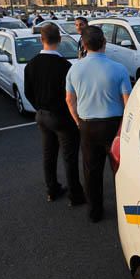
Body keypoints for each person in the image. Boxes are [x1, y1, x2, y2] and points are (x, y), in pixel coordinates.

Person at [66, 26, 131, 222]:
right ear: (104, 42)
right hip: (113, 125)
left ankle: (95, 212)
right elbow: (128, 102)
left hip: (87, 125)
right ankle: (125, 210)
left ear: (84, 45)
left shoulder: (74, 68)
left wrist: (78, 121)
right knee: (119, 169)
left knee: (91, 170)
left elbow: (70, 100)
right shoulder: (119, 68)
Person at [25, 23, 85, 204]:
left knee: (48, 154)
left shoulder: (31, 64)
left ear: (41, 40)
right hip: (62, 118)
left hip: (42, 115)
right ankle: (75, 194)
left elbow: (28, 92)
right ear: (59, 40)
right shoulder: (65, 66)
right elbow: (71, 96)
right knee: (69, 157)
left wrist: (39, 107)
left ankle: (52, 189)